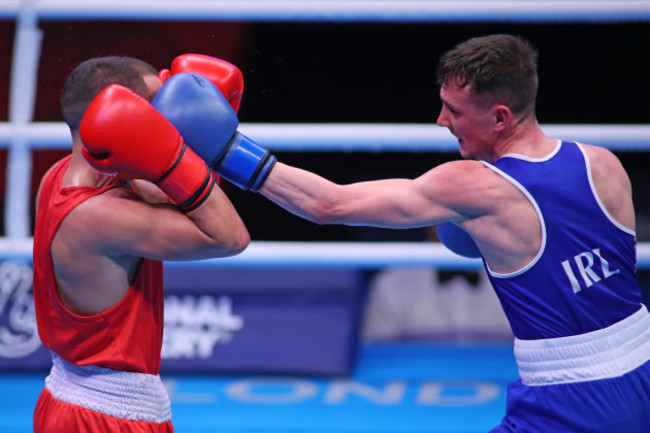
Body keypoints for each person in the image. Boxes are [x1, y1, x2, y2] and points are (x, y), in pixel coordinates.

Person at [154, 34, 650, 432]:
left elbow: (331, 205)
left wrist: (227, 151)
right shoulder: (603, 164)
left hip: (570, 397)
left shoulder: (474, 187)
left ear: (500, 117)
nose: (441, 121)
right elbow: (593, 271)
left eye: (454, 111)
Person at [31, 55, 250, 432]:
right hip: (104, 419)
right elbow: (230, 236)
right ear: (118, 120)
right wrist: (179, 158)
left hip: (73, 403)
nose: (167, 118)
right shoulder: (99, 217)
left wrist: (204, 146)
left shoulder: (59, 177)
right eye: (155, 110)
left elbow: (167, 194)